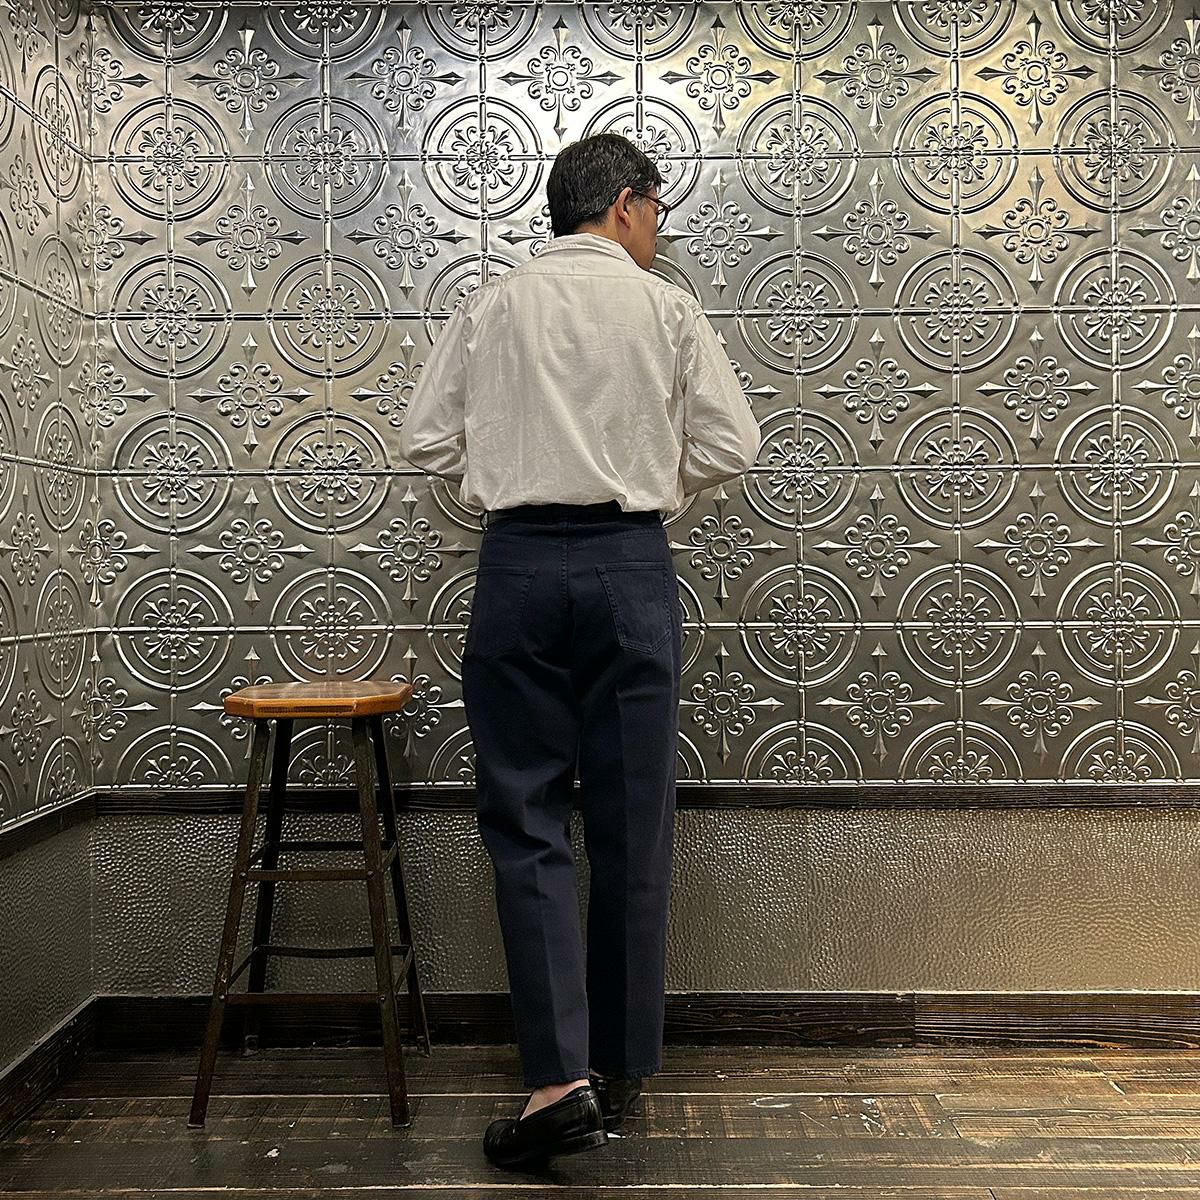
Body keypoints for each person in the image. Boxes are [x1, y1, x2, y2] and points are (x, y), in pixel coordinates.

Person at [396, 132, 760, 1169]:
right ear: (628, 205)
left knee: (528, 821)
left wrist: (513, 466)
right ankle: (623, 1066)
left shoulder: (492, 304)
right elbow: (733, 444)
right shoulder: (666, 308)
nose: (660, 234)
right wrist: (648, 490)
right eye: (658, 214)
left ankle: (558, 1081)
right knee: (633, 823)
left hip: (516, 570)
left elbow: (425, 441)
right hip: (629, 569)